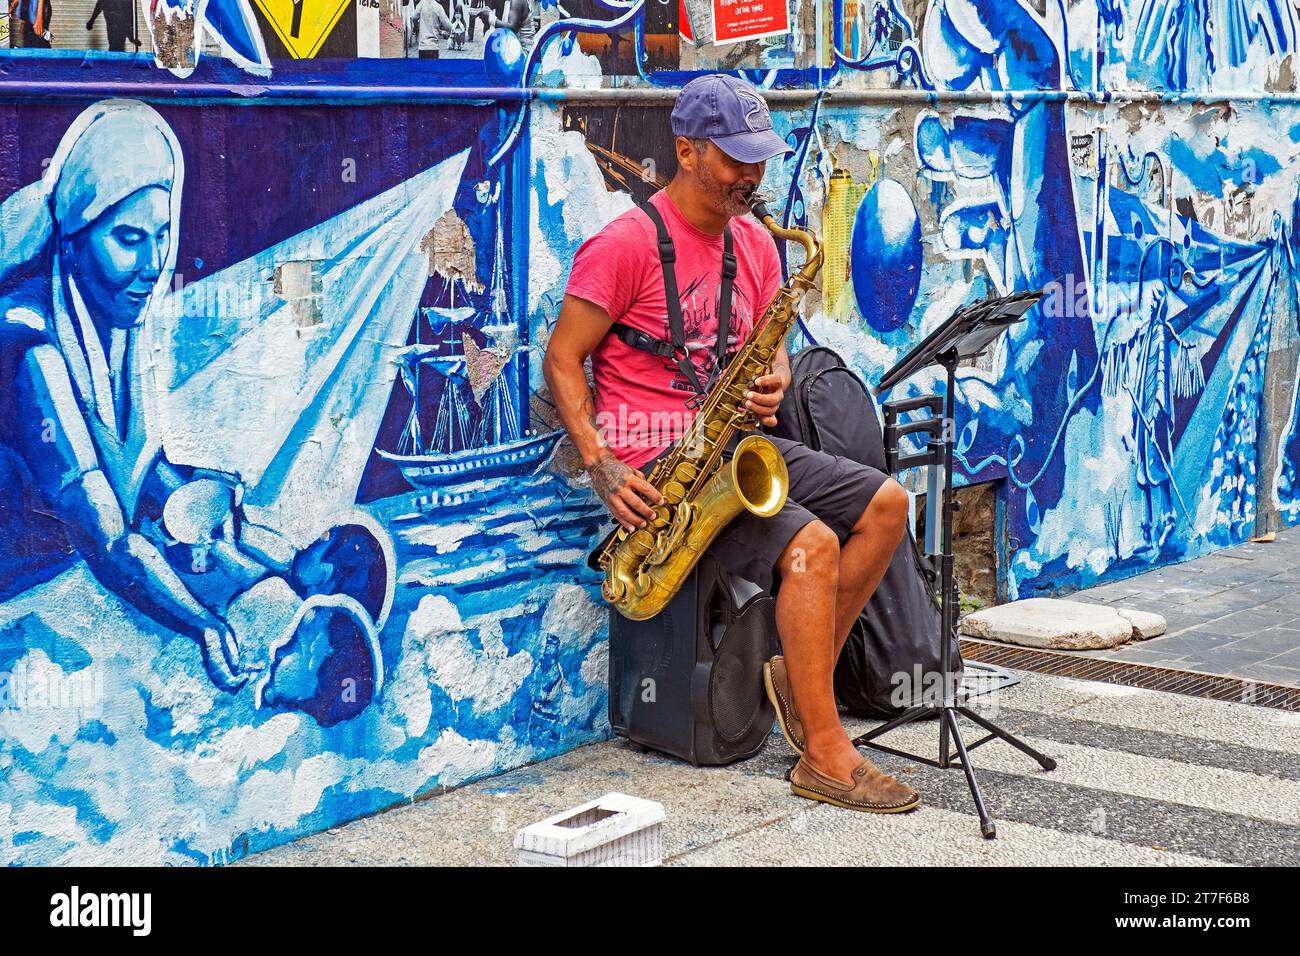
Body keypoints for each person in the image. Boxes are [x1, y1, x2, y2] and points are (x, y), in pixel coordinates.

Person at [544, 75, 919, 814]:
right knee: (809, 545)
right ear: (686, 151)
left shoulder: (754, 242)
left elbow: (769, 347)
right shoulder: (622, 246)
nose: (752, 176)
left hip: (737, 451)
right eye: (733, 159)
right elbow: (561, 359)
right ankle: (823, 749)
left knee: (887, 503)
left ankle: (792, 675)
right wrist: (600, 461)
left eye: (760, 159)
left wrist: (774, 383)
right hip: (663, 465)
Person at [0, 101, 386, 722]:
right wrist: (203, 625)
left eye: (160, 237)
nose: (152, 265)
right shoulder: (33, 353)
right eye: (127, 240)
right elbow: (109, 541)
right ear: (72, 243)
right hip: (28, 619)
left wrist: (196, 498)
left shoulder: (117, 320)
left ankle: (296, 595)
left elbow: (138, 474)